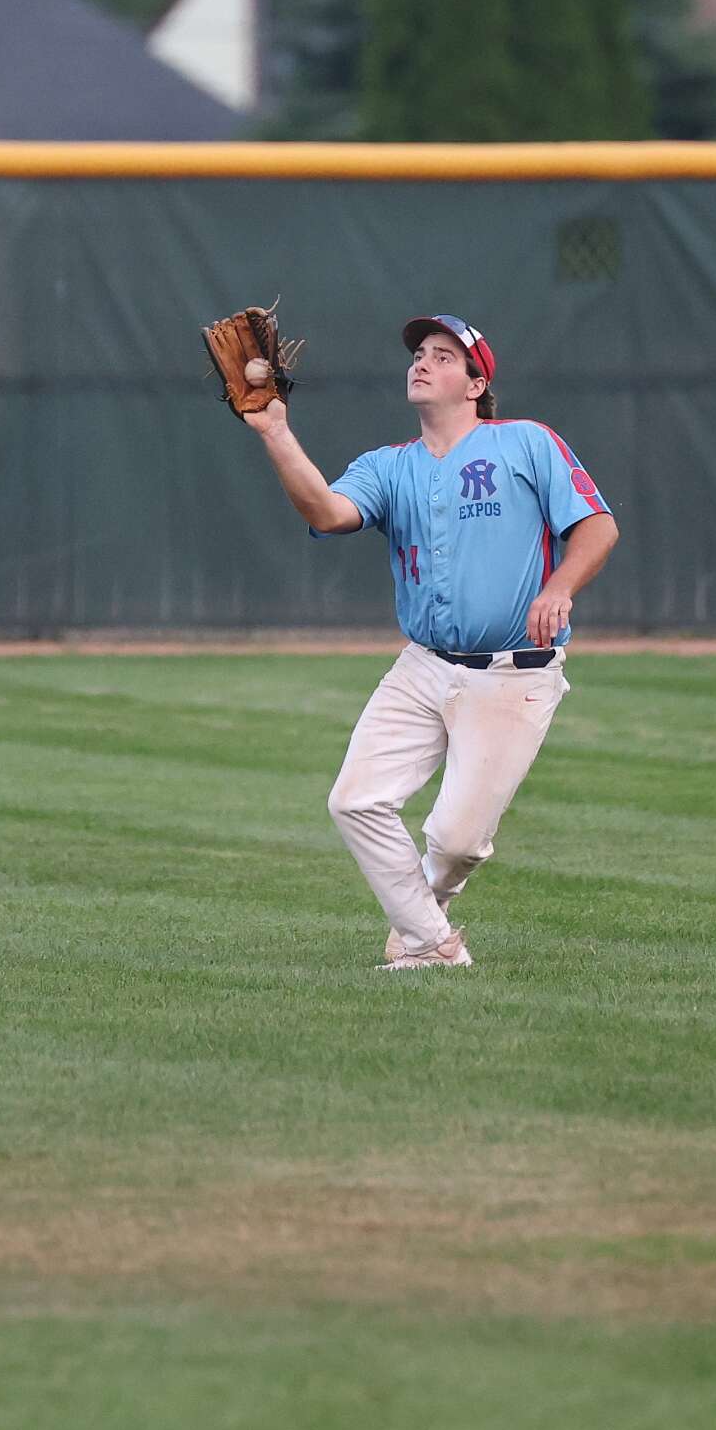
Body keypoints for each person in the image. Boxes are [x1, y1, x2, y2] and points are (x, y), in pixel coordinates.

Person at [243, 314, 619, 970]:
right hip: (422, 665)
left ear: (475, 385)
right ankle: (433, 944)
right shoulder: (388, 467)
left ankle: (423, 921)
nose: (422, 362)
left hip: (514, 671)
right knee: (355, 800)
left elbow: (598, 526)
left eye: (444, 356)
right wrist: (276, 432)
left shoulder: (526, 443)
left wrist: (559, 587)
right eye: (419, 353)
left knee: (457, 841)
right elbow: (326, 511)